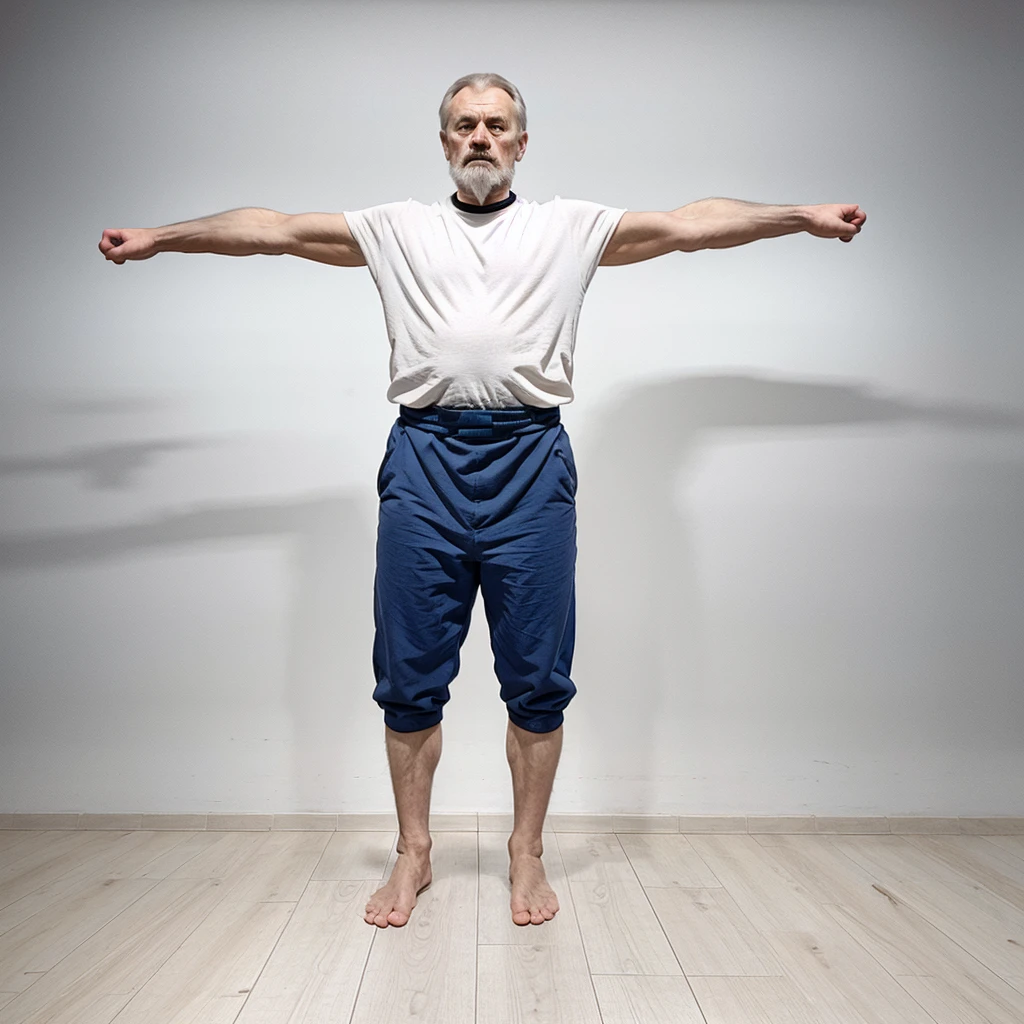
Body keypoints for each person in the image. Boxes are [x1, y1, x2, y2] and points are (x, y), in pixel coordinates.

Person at [98, 72, 867, 930]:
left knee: (537, 680)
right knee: (408, 679)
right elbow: (274, 231)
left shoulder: (567, 228)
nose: (479, 138)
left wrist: (798, 215)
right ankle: (413, 851)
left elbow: (689, 225)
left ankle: (525, 851)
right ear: (442, 141)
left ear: (522, 143)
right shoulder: (398, 230)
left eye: (497, 125)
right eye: (463, 125)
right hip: (424, 459)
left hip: (531, 461)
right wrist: (161, 238)